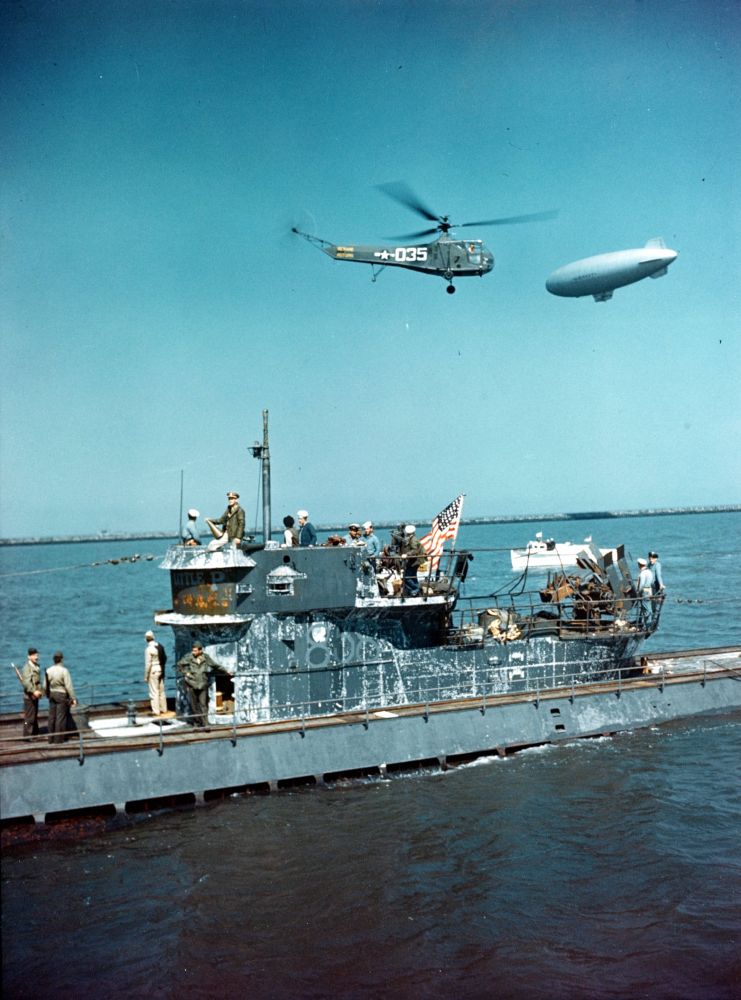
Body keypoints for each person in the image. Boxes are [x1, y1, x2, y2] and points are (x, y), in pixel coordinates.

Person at [176, 642, 227, 727]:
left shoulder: (206, 658)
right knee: (194, 705)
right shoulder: (189, 658)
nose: (193, 652)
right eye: (193, 651)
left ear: (200, 650)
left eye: (195, 651)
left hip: (202, 684)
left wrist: (225, 671)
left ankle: (205, 723)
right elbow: (178, 665)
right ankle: (197, 722)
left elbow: (215, 665)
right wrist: (186, 673)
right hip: (192, 684)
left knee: (203, 705)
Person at [45, 651, 77, 744]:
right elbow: (69, 686)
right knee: (60, 717)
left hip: (52, 694)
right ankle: (58, 740)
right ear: (61, 659)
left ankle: (50, 739)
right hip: (61, 694)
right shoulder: (64, 671)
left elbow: (44, 685)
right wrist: (73, 697)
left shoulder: (48, 670)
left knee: (51, 717)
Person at [144, 630, 170, 717]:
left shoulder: (148, 649)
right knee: (161, 691)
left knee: (154, 691)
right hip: (161, 669)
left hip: (153, 670)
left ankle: (156, 711)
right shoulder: (160, 646)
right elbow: (165, 658)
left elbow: (148, 664)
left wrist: (146, 676)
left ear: (146, 639)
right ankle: (164, 708)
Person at [20, 646, 43, 737]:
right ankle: (27, 735)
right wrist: (34, 691)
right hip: (29, 696)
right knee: (28, 718)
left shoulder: (36, 666)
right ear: (29, 657)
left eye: (36, 655)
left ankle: (34, 733)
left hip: (35, 696)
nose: (36, 657)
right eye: (33, 655)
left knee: (34, 716)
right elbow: (26, 683)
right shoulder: (27, 668)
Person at [400, 524, 424, 597]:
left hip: (414, 561)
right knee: (413, 577)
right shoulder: (412, 538)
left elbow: (415, 550)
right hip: (414, 561)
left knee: (406, 577)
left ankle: (416, 589)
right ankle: (414, 591)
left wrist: (407, 554)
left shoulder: (413, 540)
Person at [636, 557, 653, 627]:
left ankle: (647, 625)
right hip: (649, 591)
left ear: (639, 565)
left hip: (644, 592)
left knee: (645, 609)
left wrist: (638, 593)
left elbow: (641, 585)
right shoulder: (649, 572)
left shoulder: (642, 573)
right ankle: (647, 623)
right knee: (648, 607)